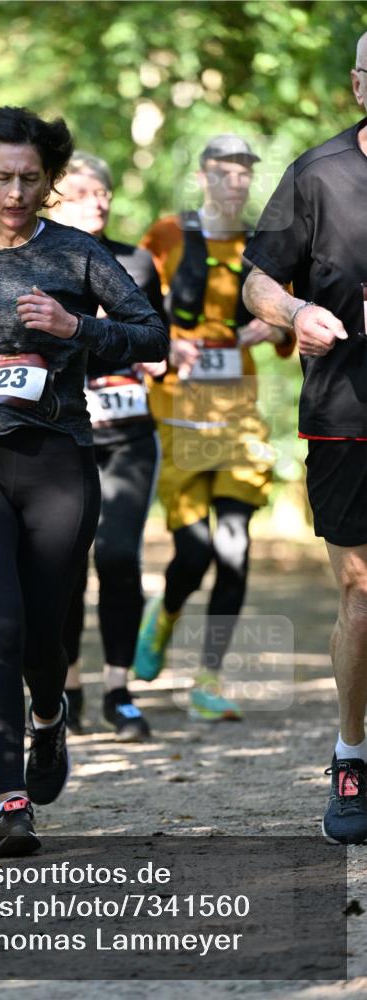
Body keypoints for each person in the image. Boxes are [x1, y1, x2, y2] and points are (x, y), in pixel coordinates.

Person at [0, 106, 168, 858]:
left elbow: (150, 332)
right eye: (3, 178)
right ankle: (11, 803)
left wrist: (73, 328)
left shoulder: (78, 253)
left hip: (56, 459)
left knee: (45, 631)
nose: (16, 193)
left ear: (50, 180)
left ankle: (49, 716)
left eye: (31, 179)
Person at [242, 34, 367, 845]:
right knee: (361, 593)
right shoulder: (317, 175)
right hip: (347, 417)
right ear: (359, 85)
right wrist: (294, 314)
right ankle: (351, 755)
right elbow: (256, 277)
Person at [136, 135, 295, 721]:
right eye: (224, 172)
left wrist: (275, 330)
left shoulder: (266, 245)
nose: (236, 182)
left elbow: (292, 322)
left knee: (234, 548)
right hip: (178, 413)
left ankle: (208, 678)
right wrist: (167, 341)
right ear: (204, 176)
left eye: (244, 173)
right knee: (193, 553)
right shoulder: (168, 235)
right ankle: (167, 612)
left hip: (237, 417)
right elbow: (132, 305)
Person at [48, 152, 167, 741]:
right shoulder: (38, 263)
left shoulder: (136, 262)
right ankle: (67, 689)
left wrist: (171, 362)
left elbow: (156, 341)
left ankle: (118, 692)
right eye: (83, 191)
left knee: (118, 557)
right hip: (63, 436)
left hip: (128, 439)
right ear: (56, 198)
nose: (98, 200)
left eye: (105, 191)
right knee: (65, 566)